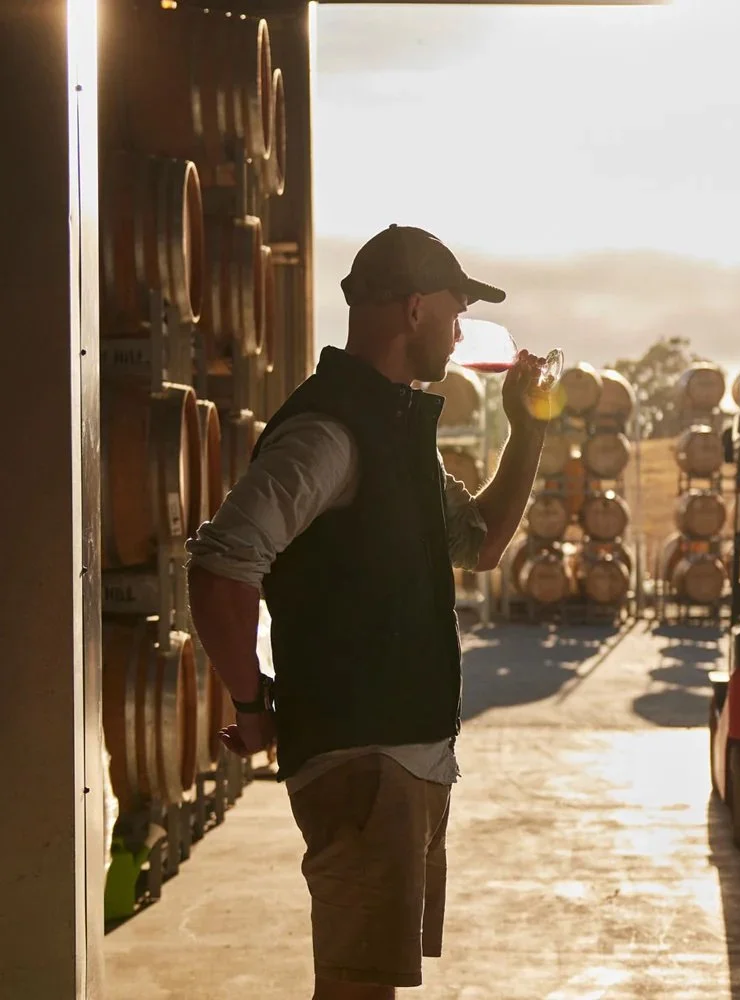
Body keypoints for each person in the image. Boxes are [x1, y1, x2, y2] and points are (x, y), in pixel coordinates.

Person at [186, 224, 549, 1000]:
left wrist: (530, 431)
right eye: (454, 314)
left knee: (367, 985)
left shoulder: (395, 431)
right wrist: (252, 705)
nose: (459, 336)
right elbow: (222, 569)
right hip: (364, 760)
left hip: (399, 758)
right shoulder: (330, 431)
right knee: (356, 989)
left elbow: (479, 544)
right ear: (415, 309)